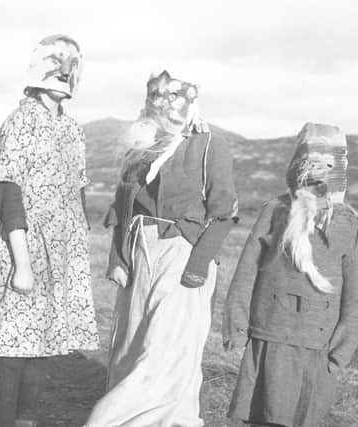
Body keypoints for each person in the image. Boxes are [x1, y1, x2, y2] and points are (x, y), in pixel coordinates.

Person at [84, 70, 239, 427]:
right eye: (157, 102)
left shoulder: (209, 144)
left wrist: (197, 266)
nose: (163, 110)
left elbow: (224, 212)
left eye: (170, 103)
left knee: (165, 351)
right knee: (130, 347)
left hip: (183, 254)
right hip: (140, 254)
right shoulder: (143, 145)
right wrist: (119, 257)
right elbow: (123, 205)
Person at [0, 34, 99, 427]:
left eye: (69, 68)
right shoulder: (20, 120)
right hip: (23, 244)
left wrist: (76, 256)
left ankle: (27, 422)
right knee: (13, 345)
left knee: (42, 342)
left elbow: (77, 194)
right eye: (56, 66)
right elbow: (10, 193)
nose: (64, 75)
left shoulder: (72, 129)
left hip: (62, 250)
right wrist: (22, 264)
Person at [222, 122, 358, 427]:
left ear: (340, 166)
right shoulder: (274, 210)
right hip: (269, 335)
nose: (319, 172)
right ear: (298, 163)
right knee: (263, 415)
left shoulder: (348, 222)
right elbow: (247, 268)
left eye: (329, 164)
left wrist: (342, 348)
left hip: (317, 345)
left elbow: (356, 291)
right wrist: (237, 325)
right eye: (312, 161)